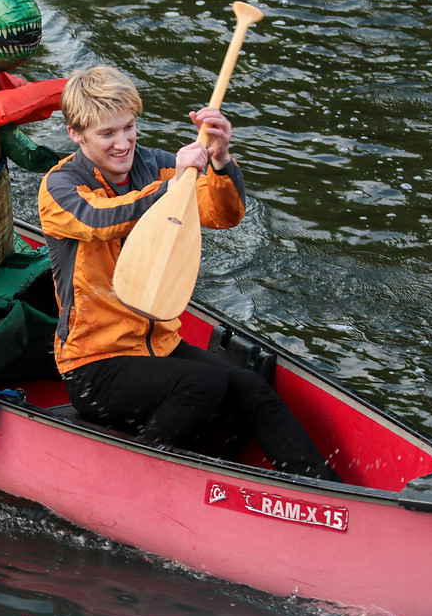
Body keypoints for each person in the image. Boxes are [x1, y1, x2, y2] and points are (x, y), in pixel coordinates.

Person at [37, 66, 338, 480]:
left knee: (249, 386)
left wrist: (219, 160)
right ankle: (137, 471)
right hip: (93, 367)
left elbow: (223, 215)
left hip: (157, 347)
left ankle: (321, 488)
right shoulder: (60, 186)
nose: (123, 143)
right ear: (76, 133)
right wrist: (172, 186)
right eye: (107, 134)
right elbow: (97, 219)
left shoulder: (156, 166)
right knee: (202, 385)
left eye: (129, 128)